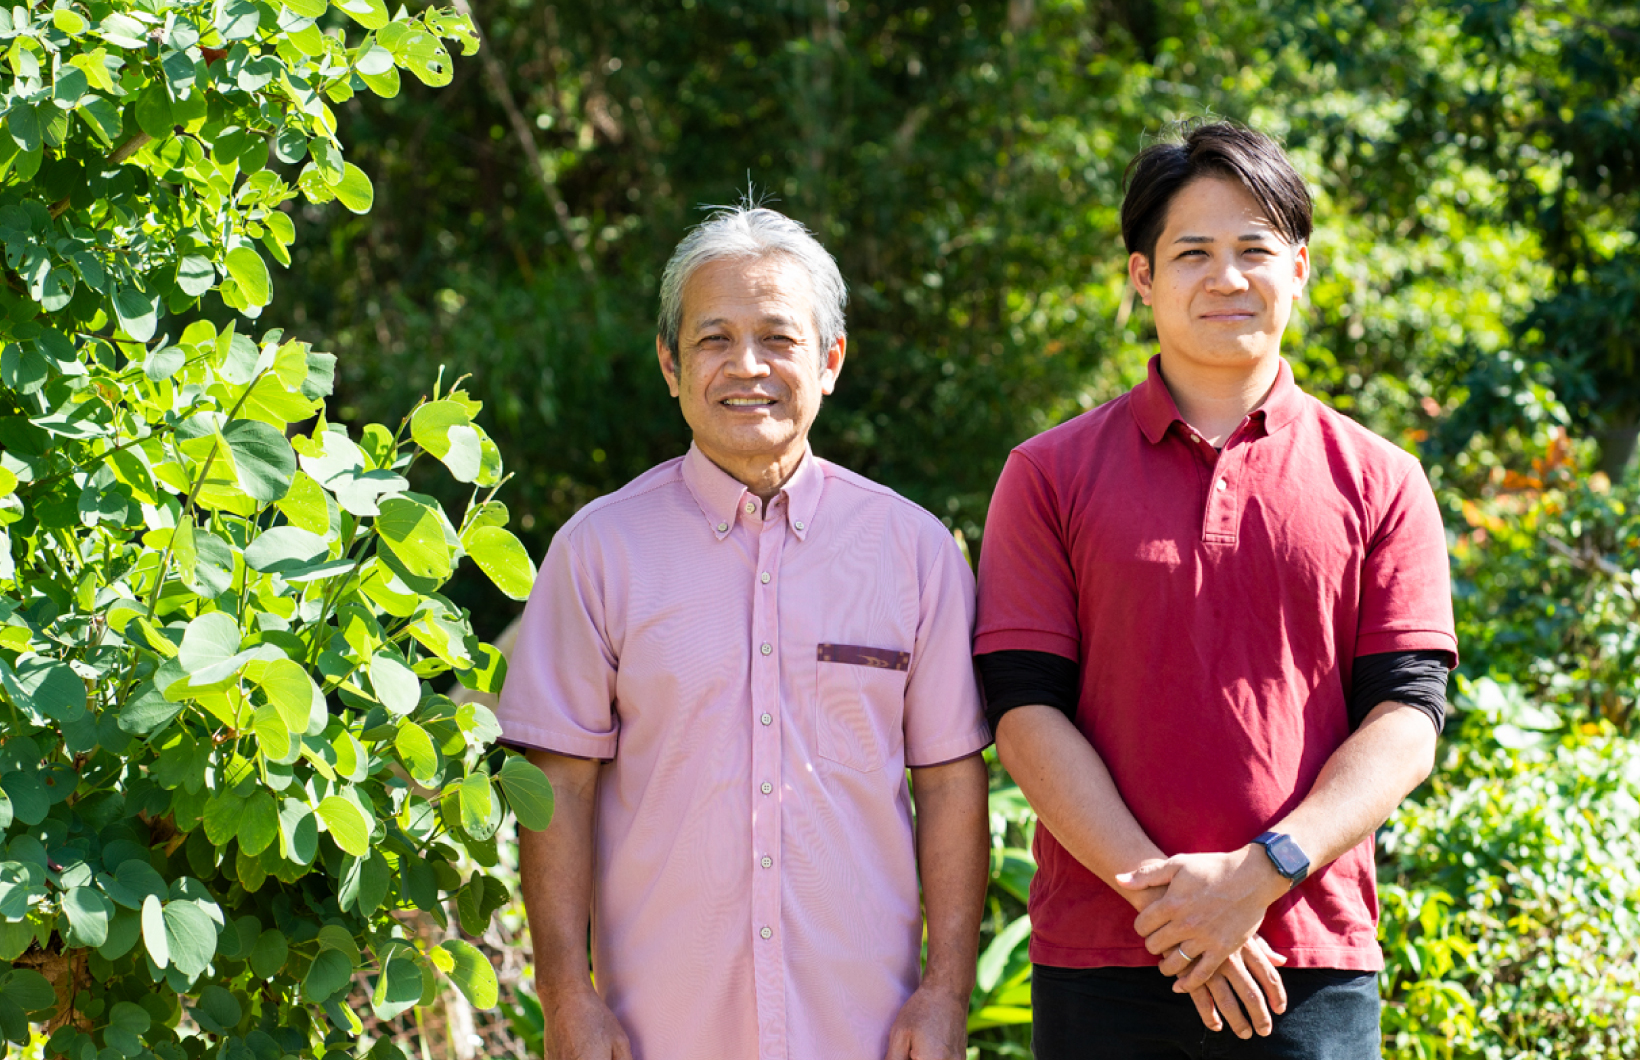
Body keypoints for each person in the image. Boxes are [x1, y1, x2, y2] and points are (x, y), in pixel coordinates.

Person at [974, 121, 1456, 1059]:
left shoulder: (1382, 479)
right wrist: (1174, 902)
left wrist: (1256, 878)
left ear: (1302, 268)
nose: (1226, 278)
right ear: (1142, 277)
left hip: (1306, 962)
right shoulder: (1047, 474)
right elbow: (1024, 710)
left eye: (1255, 251)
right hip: (1104, 960)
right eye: (1192, 252)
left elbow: (1407, 717)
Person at [496, 204, 991, 1060]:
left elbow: (950, 784)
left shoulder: (914, 553)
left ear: (831, 359)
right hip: (659, 1032)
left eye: (778, 338)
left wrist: (946, 991)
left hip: (864, 1031)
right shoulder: (597, 552)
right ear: (669, 363)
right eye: (714, 339)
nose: (746, 366)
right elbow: (558, 789)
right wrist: (565, 997)